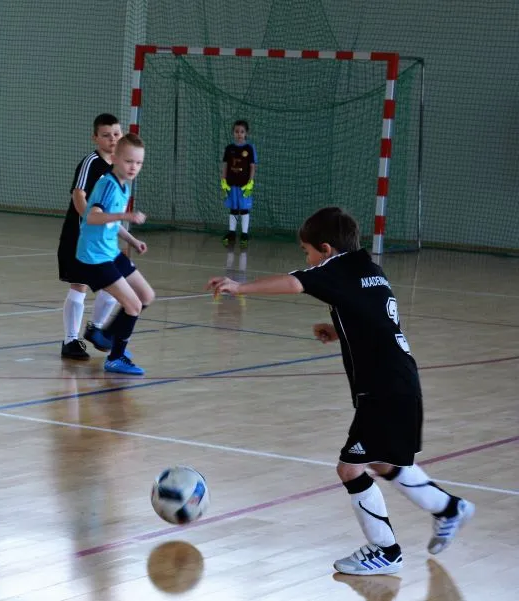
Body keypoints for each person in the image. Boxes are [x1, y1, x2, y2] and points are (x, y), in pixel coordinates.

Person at [207, 206, 474, 575]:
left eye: (307, 252)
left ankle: (385, 551)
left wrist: (239, 287)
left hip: (383, 388)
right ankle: (448, 508)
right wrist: (338, 330)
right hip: (399, 382)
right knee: (381, 461)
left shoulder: (335, 267)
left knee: (350, 469)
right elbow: (373, 316)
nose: (307, 260)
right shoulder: (370, 270)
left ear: (326, 249)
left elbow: (294, 283)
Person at [73, 133, 153, 375]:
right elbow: (93, 216)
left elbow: (111, 222)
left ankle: (105, 335)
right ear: (115, 158)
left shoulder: (123, 186)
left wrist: (132, 240)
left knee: (146, 295)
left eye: (138, 163)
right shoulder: (107, 185)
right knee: (133, 305)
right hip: (95, 257)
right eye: (129, 161)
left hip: (110, 252)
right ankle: (115, 358)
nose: (133, 167)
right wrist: (125, 216)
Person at [58, 113, 123, 360]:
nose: (112, 139)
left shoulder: (119, 167)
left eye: (116, 134)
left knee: (113, 282)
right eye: (106, 135)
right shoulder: (91, 162)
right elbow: (78, 195)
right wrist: (90, 221)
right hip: (80, 236)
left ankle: (95, 329)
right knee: (80, 284)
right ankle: (70, 341)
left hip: (103, 239)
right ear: (95, 138)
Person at [220, 119, 257, 249]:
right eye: (236, 131)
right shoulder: (229, 148)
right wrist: (223, 180)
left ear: (246, 133)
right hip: (232, 184)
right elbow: (225, 165)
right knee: (233, 209)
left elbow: (252, 166)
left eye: (242, 131)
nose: (239, 134)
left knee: (244, 209)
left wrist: (251, 182)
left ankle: (245, 234)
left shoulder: (249, 148)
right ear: (233, 133)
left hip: (244, 185)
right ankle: (232, 233)